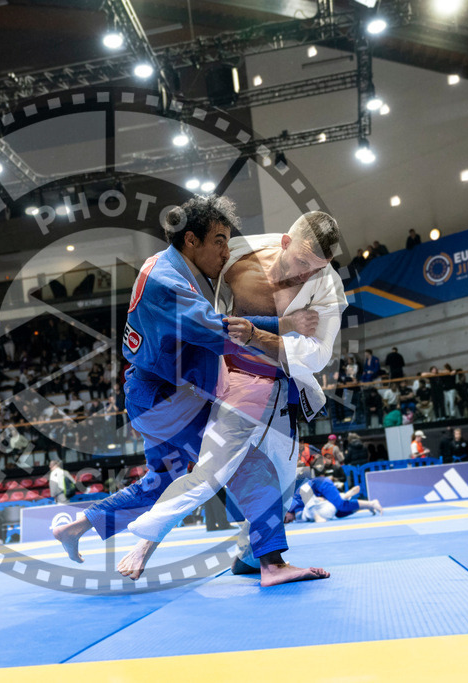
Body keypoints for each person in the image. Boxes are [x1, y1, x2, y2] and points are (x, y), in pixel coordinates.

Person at [118, 210, 346, 584]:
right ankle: (145, 542)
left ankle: (251, 558)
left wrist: (259, 336)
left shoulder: (328, 288)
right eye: (303, 262)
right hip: (228, 381)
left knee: (281, 488)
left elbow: (320, 355)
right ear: (286, 243)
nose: (308, 274)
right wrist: (270, 329)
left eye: (319, 267)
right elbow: (202, 305)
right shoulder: (239, 253)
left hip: (280, 387)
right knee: (211, 470)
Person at [51, 195, 261, 565]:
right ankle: (259, 549)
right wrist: (286, 330)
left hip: (153, 394)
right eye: (219, 240)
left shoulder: (162, 265)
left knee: (163, 481)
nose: (226, 251)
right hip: (166, 397)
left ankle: (80, 525)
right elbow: (222, 334)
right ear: (191, 240)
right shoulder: (166, 282)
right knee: (239, 453)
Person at [289, 477, 381, 523]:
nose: (287, 521)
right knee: (339, 513)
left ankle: (372, 503)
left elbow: (305, 489)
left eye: (285, 519)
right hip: (319, 493)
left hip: (321, 485)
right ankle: (366, 505)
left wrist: (316, 515)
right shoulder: (296, 515)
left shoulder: (292, 504)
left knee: (341, 505)